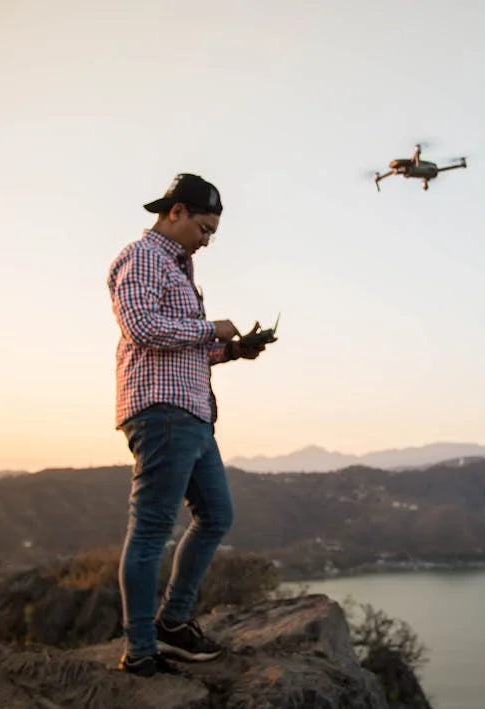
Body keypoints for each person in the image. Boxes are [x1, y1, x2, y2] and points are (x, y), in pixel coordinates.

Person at [106, 173, 270, 677]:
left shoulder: (178, 267)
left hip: (193, 412)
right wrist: (208, 327)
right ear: (175, 212)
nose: (208, 238)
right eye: (204, 226)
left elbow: (182, 349)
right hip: (162, 412)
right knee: (152, 530)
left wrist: (233, 350)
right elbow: (141, 328)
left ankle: (173, 624)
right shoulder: (142, 258)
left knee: (216, 516)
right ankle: (140, 651)